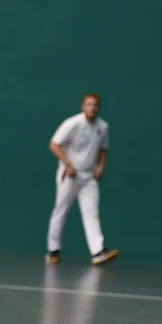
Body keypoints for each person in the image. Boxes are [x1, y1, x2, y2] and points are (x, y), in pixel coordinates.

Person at [45, 93, 119, 266]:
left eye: (95, 105)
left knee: (91, 212)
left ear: (99, 108)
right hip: (69, 174)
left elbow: (104, 149)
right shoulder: (72, 123)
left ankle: (98, 251)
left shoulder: (103, 126)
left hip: (88, 177)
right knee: (61, 210)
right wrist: (68, 163)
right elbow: (54, 144)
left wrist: (101, 167)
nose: (92, 108)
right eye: (89, 104)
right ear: (83, 106)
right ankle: (53, 250)